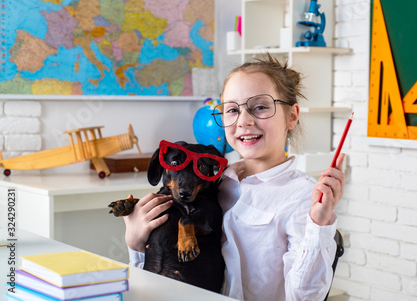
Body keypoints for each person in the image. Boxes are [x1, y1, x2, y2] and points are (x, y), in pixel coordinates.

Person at [124, 54, 345, 301]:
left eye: (260, 106)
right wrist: (136, 244)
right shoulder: (218, 181)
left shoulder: (302, 196)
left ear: (292, 116)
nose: (244, 121)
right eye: (232, 110)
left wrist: (319, 223)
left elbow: (305, 297)